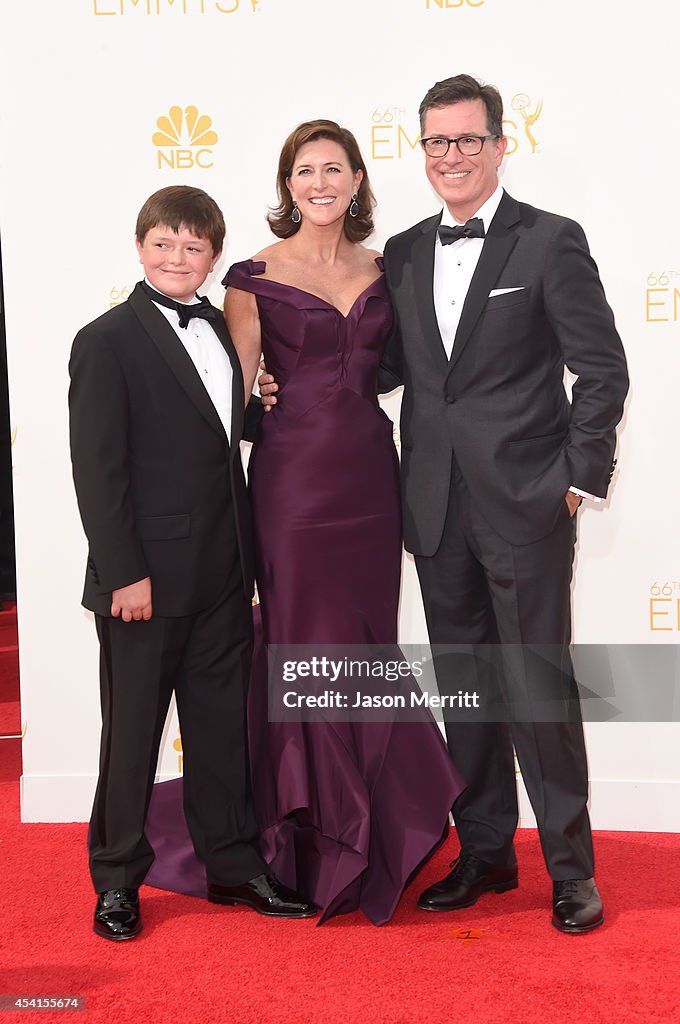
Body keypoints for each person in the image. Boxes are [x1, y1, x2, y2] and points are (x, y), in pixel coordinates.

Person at [261, 79, 629, 933]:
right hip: (428, 508)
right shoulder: (405, 252)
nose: (452, 157)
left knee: (535, 685)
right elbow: (380, 366)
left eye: (467, 141)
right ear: (419, 151)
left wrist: (579, 477)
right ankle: (487, 852)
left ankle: (571, 869)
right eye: (436, 143)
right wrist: (282, 379)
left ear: (501, 145)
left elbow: (601, 369)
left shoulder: (550, 242)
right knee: (465, 689)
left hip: (526, 504)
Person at [144, 122, 463, 926]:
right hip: (291, 490)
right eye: (303, 170)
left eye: (334, 168)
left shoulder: (389, 270)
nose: (319, 182)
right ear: (288, 185)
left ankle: (373, 829)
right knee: (297, 641)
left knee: (364, 644)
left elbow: (409, 368)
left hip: (369, 482)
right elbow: (229, 398)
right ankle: (304, 837)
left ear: (357, 179)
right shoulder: (251, 277)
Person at [68, 185, 316, 941]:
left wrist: (257, 399)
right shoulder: (106, 340)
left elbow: (216, 431)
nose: (178, 258)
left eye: (194, 247)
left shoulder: (218, 325)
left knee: (219, 734)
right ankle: (116, 880)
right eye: (164, 243)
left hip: (221, 570)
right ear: (140, 247)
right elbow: (99, 470)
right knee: (133, 736)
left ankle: (234, 866)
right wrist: (123, 574)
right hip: (142, 581)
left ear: (214, 257)